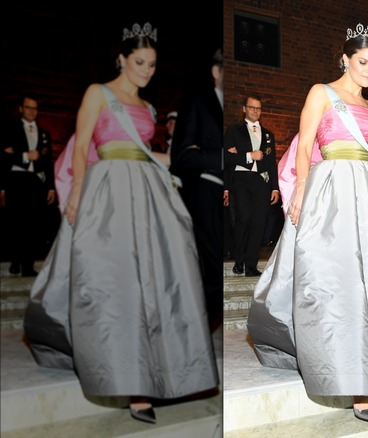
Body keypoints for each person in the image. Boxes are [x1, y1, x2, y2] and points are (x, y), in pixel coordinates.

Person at [22, 22, 219, 424]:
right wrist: (76, 193)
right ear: (123, 59)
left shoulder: (148, 108)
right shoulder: (98, 93)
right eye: (140, 62)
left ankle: (152, 376)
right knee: (115, 285)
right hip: (107, 193)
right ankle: (127, 380)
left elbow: (148, 154)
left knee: (154, 285)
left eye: (152, 65)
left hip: (147, 197)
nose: (147, 71)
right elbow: (80, 146)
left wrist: (189, 167)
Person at [246, 22, 368, 425]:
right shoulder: (321, 92)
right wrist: (300, 187)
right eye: (363, 62)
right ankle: (356, 385)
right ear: (346, 58)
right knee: (339, 283)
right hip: (331, 191)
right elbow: (304, 145)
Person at [169, 47, 225, 330]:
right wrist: (225, 158)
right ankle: (195, 331)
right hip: (206, 194)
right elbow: (181, 157)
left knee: (221, 270)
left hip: (233, 200)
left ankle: (202, 330)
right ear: (217, 72)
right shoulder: (197, 103)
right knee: (213, 271)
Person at [223, 95, 280, 277]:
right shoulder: (234, 130)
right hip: (241, 179)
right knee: (244, 219)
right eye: (252, 107)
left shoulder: (269, 134)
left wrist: (274, 187)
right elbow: (226, 157)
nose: (255, 111)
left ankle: (251, 265)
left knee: (258, 223)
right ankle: (239, 261)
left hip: (262, 182)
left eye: (258, 108)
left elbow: (272, 163)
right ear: (244, 109)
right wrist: (249, 156)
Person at [4, 94, 56, 276]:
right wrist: (25, 156)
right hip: (17, 180)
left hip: (36, 182)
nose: (32, 111)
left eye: (34, 108)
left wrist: (51, 187)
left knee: (34, 225)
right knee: (17, 223)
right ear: (20, 109)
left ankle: (27, 266)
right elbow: (3, 155)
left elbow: (48, 161)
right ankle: (16, 260)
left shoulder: (44, 134)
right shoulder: (9, 128)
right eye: (28, 107)